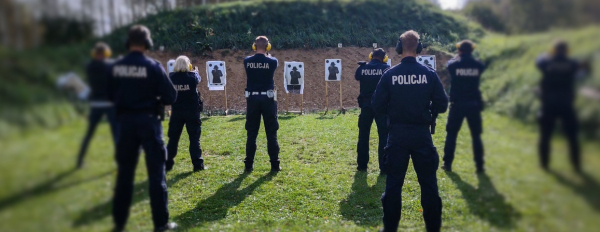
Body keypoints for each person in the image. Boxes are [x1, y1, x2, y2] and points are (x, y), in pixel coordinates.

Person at [371, 30, 448, 232]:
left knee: (394, 185)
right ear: (419, 48)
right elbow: (442, 103)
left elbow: (377, 105)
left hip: (396, 135)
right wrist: (428, 111)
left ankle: (390, 228)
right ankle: (433, 228)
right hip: (422, 135)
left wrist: (393, 111)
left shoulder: (390, 74)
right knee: (429, 185)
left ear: (398, 48)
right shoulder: (429, 74)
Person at [107, 25, 178, 232]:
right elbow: (171, 96)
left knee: (125, 175)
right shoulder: (153, 66)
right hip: (149, 122)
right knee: (157, 175)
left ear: (127, 43)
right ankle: (161, 224)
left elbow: (109, 95)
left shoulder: (116, 67)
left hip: (125, 124)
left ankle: (119, 224)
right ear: (147, 44)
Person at [536, 40, 581, 173]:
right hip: (567, 104)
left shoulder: (546, 62)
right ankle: (576, 164)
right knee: (572, 136)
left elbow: (539, 60)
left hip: (548, 104)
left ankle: (544, 164)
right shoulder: (573, 64)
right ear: (567, 50)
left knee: (545, 135)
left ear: (553, 50)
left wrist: (548, 54)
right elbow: (579, 71)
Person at [442, 40, 486, 173]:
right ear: (472, 51)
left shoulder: (454, 64)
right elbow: (482, 66)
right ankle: (479, 166)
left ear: (459, 50)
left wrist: (458, 57)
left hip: (458, 104)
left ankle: (447, 164)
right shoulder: (478, 64)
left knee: (452, 134)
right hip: (474, 103)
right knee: (476, 135)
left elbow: (449, 64)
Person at [76, 42, 119, 168]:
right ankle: (120, 162)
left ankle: (80, 161)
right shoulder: (111, 65)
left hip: (95, 103)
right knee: (116, 134)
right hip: (110, 103)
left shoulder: (89, 66)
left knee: (89, 134)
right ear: (106, 53)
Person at [243, 36, 281, 173]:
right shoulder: (273, 61)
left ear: (254, 46)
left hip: (252, 100)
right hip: (268, 99)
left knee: (251, 133)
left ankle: (248, 164)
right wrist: (267, 55)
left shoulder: (247, 61)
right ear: (268, 47)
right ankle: (275, 164)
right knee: (271, 133)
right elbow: (270, 61)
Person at [165, 55, 205, 172]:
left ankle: (167, 163)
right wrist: (195, 70)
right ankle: (198, 164)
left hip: (176, 112)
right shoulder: (193, 76)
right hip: (192, 112)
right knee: (194, 138)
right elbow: (199, 77)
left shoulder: (171, 77)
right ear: (189, 66)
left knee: (173, 139)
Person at [354, 48, 390, 174]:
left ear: (371, 56)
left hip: (366, 106)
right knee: (384, 137)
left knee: (363, 136)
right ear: (384, 57)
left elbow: (357, 76)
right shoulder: (386, 69)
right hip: (381, 107)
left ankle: (362, 166)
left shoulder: (362, 68)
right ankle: (384, 167)